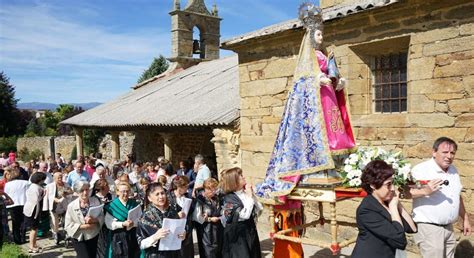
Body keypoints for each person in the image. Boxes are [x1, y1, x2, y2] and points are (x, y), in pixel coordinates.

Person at [409, 137, 471, 258]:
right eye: (445, 152)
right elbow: (406, 192)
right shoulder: (421, 170)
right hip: (429, 228)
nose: (449, 156)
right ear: (434, 152)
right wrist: (426, 191)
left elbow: (457, 196)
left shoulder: (453, 170)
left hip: (448, 228)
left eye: (452, 153)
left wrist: (465, 218)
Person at [351, 160, 417, 258]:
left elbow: (412, 228)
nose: (392, 188)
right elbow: (399, 238)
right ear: (373, 185)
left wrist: (398, 204)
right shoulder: (367, 210)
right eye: (388, 184)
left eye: (393, 183)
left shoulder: (387, 202)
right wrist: (393, 207)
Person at [221, 167, 262, 258]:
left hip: (250, 232)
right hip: (237, 237)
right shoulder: (229, 198)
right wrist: (250, 197)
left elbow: (259, 210)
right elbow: (245, 215)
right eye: (240, 176)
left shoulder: (245, 193)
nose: (243, 177)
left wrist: (253, 195)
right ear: (234, 181)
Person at [136, 182, 186, 258]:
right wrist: (155, 236)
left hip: (175, 253)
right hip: (156, 255)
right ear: (149, 198)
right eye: (157, 194)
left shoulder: (172, 211)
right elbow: (141, 244)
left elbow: (179, 228)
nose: (161, 196)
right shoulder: (145, 217)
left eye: (162, 193)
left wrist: (183, 234)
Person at [65, 180, 104, 258]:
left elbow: (102, 216)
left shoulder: (95, 201)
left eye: (87, 189)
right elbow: (68, 225)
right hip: (78, 237)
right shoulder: (71, 206)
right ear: (77, 192)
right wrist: (83, 226)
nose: (85, 193)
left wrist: (94, 220)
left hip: (93, 235)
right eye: (82, 190)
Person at [104, 182, 140, 258]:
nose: (125, 193)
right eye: (123, 191)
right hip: (118, 236)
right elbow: (109, 224)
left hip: (133, 235)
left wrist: (133, 223)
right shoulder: (112, 206)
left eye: (127, 191)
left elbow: (140, 218)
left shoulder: (135, 204)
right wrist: (123, 224)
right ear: (117, 192)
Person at [193, 178, 224, 258]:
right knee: (209, 253)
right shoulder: (200, 200)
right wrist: (209, 219)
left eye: (214, 190)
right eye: (211, 190)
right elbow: (197, 217)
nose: (213, 192)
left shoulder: (216, 198)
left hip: (218, 229)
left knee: (218, 251)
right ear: (205, 189)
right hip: (206, 232)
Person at [168, 176, 194, 258]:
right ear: (179, 187)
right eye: (186, 186)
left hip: (187, 230)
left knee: (188, 253)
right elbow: (164, 215)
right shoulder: (169, 198)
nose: (187, 188)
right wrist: (177, 215)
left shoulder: (187, 196)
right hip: (174, 232)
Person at [44, 171, 73, 245]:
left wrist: (67, 192)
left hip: (65, 205)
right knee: (55, 222)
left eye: (61, 177)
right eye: (58, 178)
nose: (60, 179)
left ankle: (67, 233)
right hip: (55, 206)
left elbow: (71, 192)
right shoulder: (50, 186)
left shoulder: (65, 184)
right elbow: (49, 197)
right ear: (54, 178)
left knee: (66, 221)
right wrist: (55, 199)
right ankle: (55, 234)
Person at [23, 172, 47, 254]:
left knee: (35, 229)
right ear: (39, 180)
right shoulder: (36, 188)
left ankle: (34, 244)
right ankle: (31, 246)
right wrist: (43, 196)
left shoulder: (32, 186)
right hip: (33, 211)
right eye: (43, 179)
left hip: (30, 209)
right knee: (33, 229)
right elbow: (36, 201)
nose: (44, 181)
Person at [5, 169, 29, 244]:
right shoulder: (26, 183)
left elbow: (6, 194)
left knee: (15, 222)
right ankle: (23, 238)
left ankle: (17, 239)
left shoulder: (8, 184)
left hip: (12, 205)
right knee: (23, 222)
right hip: (23, 203)